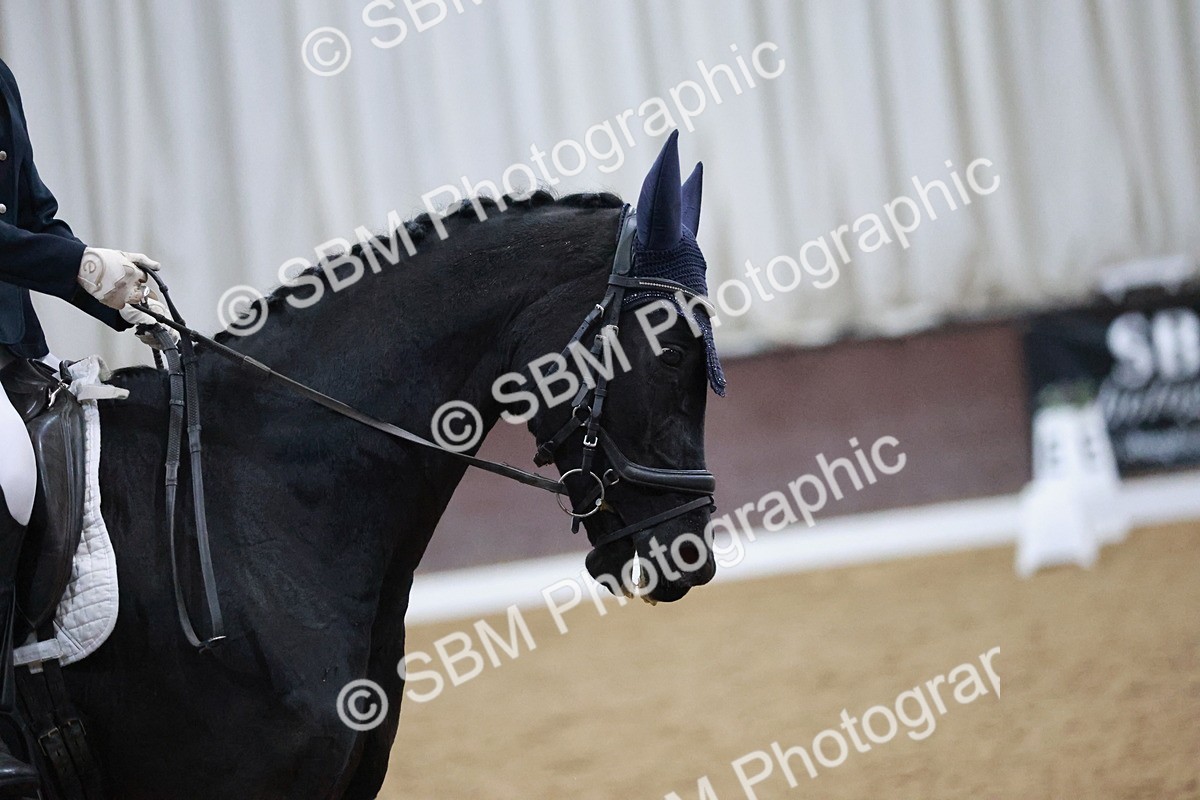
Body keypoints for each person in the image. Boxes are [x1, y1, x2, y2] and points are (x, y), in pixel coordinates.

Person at [0, 56, 168, 794]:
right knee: (7, 471)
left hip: (12, 347)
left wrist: (120, 300)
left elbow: (32, 217)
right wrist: (79, 266)